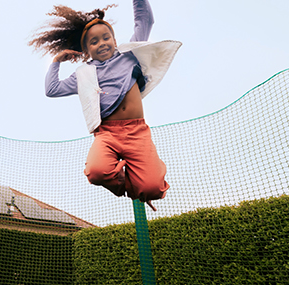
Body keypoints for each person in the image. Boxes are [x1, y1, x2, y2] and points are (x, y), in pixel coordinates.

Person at [31, 0, 180, 210]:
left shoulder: (130, 56)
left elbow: (145, 20)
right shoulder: (84, 74)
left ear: (114, 39)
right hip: (107, 134)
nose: (101, 43)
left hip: (137, 132)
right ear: (85, 51)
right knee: (96, 171)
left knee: (154, 189)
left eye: (105, 37)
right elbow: (52, 89)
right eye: (93, 42)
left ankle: (144, 186)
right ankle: (133, 187)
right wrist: (56, 61)